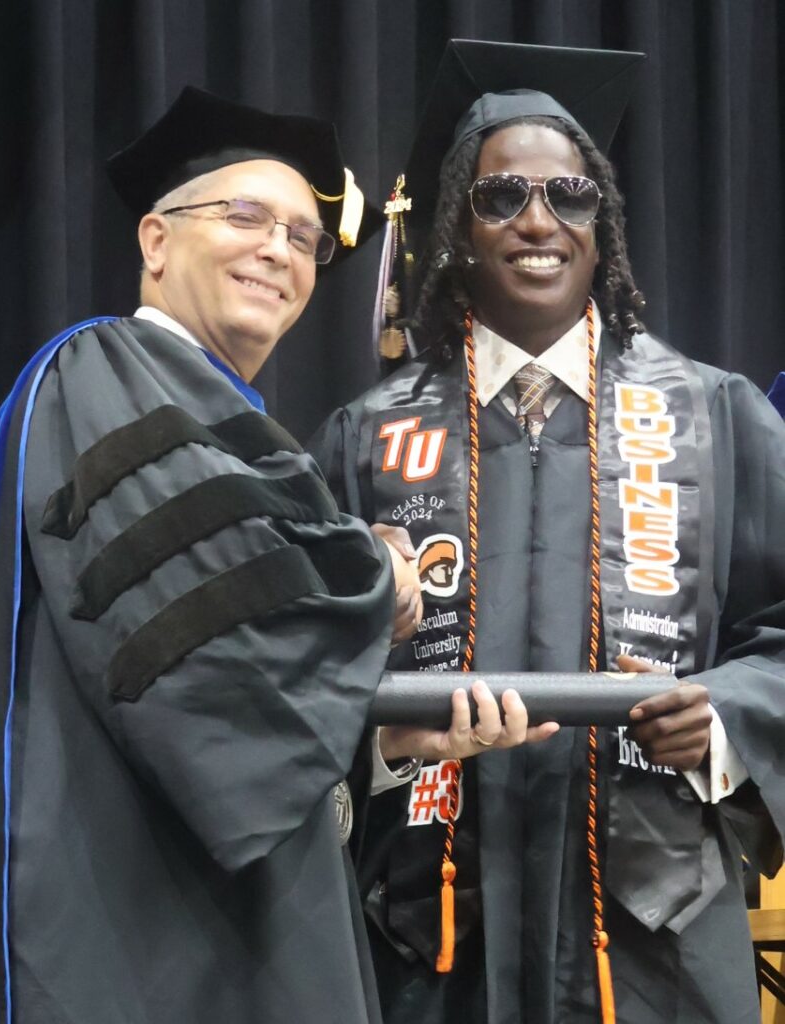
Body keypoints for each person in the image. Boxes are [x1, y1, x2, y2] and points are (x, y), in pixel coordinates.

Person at [310, 41, 785, 1024]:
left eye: (569, 194)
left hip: (655, 949)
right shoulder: (370, 437)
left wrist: (725, 720)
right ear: (454, 230)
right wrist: (388, 743)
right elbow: (299, 671)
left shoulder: (710, 416)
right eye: (499, 198)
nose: (537, 220)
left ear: (601, 223)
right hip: (429, 941)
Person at [0, 86, 435, 1024]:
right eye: (244, 215)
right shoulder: (106, 372)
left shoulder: (224, 422)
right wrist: (381, 580)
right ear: (156, 242)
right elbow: (219, 635)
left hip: (196, 904)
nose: (278, 251)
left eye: (304, 237)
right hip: (125, 916)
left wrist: (387, 738)